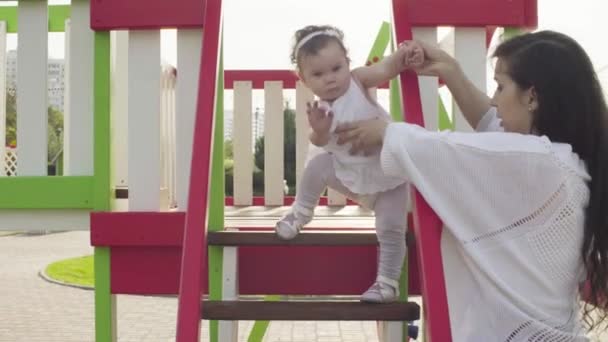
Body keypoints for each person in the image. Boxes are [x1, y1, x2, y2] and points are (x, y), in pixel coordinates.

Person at [335, 30, 608, 340]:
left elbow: (448, 150)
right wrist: (451, 72)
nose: (493, 98)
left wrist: (386, 131)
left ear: (532, 97)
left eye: (500, 86)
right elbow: (493, 127)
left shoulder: (539, 162)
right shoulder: (561, 162)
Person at [274, 24, 423, 303]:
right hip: (352, 178)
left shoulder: (357, 81)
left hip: (390, 176)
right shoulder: (321, 111)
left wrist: (405, 53)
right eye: (318, 74)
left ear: (348, 64)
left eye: (336, 68)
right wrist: (318, 130)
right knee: (318, 166)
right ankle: (301, 214)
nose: (330, 79)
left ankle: (386, 283)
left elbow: (387, 69)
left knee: (391, 226)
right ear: (304, 80)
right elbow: (317, 141)